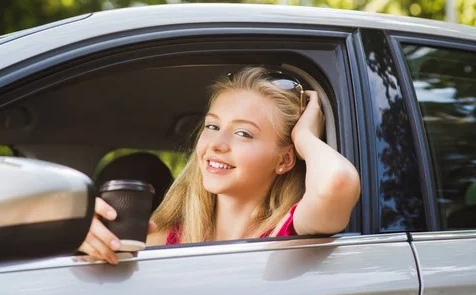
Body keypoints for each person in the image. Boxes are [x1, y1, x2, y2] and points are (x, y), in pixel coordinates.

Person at [78, 67, 361, 264]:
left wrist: (305, 136)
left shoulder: (286, 233)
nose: (217, 143)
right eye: (212, 126)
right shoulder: (164, 238)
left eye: (243, 133)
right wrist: (87, 239)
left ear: (285, 159)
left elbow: (337, 182)